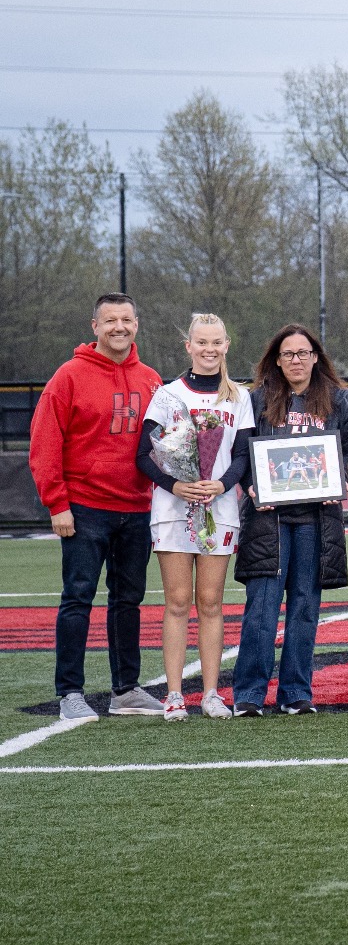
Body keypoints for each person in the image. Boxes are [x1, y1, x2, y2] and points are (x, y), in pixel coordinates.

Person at [232, 324, 348, 715]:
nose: (296, 360)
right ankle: (249, 695)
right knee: (262, 607)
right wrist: (253, 485)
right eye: (288, 354)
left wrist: (340, 477)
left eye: (303, 353)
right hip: (269, 519)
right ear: (277, 360)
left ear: (316, 357)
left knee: (305, 606)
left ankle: (296, 692)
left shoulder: (334, 400)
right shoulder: (256, 400)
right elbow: (241, 452)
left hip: (315, 521)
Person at [30, 293, 166, 721]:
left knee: (128, 601)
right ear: (94, 326)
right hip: (85, 507)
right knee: (78, 598)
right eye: (110, 320)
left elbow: (165, 445)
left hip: (137, 508)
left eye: (126, 319)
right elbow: (45, 445)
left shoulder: (151, 379)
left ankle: (125, 690)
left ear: (137, 325)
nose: (118, 327)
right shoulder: (68, 377)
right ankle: (70, 691)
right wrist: (57, 504)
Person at [137, 313, 254, 722]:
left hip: (218, 508)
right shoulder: (168, 394)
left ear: (226, 346)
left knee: (211, 603)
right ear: (188, 346)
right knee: (177, 602)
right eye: (201, 342)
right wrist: (175, 486)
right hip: (172, 510)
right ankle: (172, 694)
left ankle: (209, 693)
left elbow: (243, 454)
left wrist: (221, 485)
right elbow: (143, 455)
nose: (209, 349)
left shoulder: (239, 396)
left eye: (216, 342)